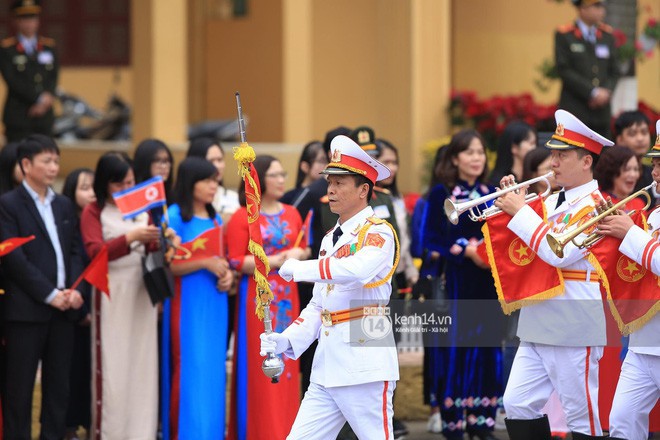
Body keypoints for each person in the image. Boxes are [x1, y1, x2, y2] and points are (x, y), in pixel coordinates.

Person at [261, 134, 399, 439]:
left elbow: (355, 270)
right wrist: (286, 340)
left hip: (365, 354)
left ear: (364, 189)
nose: (331, 190)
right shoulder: (329, 238)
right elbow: (319, 305)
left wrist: (300, 268)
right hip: (328, 365)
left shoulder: (379, 233)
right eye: (329, 182)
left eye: (340, 183)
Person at [493, 109, 614, 439]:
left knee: (581, 416)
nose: (553, 162)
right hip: (538, 320)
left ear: (586, 161)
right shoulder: (551, 202)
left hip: (574, 321)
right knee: (516, 403)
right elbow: (523, 247)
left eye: (562, 155)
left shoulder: (597, 205)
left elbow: (557, 252)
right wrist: (514, 201)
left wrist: (520, 211)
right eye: (553, 154)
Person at [0, 134, 84, 440]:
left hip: (64, 310)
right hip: (26, 312)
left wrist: (74, 290)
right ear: (26, 165)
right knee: (19, 392)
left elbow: (76, 251)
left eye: (56, 160)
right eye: (46, 161)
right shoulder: (8, 205)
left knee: (58, 388)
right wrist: (50, 294)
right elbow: (14, 259)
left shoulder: (62, 204)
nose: (53, 167)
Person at [423, 129, 503, 440]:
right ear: (455, 157)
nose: (476, 158)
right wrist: (464, 248)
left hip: (486, 281)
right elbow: (429, 241)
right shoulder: (440, 193)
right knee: (455, 351)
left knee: (486, 350)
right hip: (456, 282)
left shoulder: (491, 191)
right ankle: (454, 423)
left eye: (480, 152)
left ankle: (483, 421)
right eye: (469, 152)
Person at [81, 151, 162, 440]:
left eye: (130, 181)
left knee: (142, 367)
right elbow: (93, 252)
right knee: (114, 368)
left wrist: (162, 240)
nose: (126, 188)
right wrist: (129, 239)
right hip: (112, 292)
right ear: (104, 183)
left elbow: (154, 247)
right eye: (119, 184)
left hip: (142, 293)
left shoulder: (142, 205)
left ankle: (142, 433)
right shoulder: (94, 211)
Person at [226, 155, 307, 440]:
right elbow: (237, 260)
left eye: (283, 174)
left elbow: (304, 249)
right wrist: (280, 258)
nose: (282, 179)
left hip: (289, 298)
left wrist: (298, 256)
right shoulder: (243, 216)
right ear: (259, 179)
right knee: (261, 364)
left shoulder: (292, 213)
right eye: (275, 175)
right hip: (258, 300)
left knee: (288, 365)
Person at [161, 157, 233, 439]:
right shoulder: (175, 216)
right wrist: (205, 264)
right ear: (190, 183)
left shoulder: (215, 218)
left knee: (214, 372)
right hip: (187, 303)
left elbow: (221, 259)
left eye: (216, 180)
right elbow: (171, 265)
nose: (213, 186)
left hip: (215, 303)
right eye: (207, 181)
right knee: (191, 367)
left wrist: (226, 276)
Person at [598, 120, 660, 440]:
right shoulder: (652, 215)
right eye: (656, 163)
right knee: (622, 422)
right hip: (643, 342)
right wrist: (608, 232)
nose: (656, 172)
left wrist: (630, 233)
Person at [61, 168, 95, 440]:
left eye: (95, 187)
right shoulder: (67, 223)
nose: (92, 193)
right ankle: (68, 426)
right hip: (72, 311)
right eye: (85, 188)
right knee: (71, 371)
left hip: (98, 309)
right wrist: (81, 309)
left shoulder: (97, 223)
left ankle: (89, 423)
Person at [554, 0, 619, 139]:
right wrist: (592, 92)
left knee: (603, 156)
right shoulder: (565, 35)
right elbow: (564, 69)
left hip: (602, 113)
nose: (601, 10)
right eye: (596, 5)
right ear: (582, 8)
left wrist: (605, 92)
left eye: (602, 6)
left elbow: (615, 71)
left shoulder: (607, 36)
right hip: (575, 110)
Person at [0, 0, 58, 142]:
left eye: (33, 18)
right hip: (19, 116)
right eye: (24, 19)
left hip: (44, 117)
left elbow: (53, 76)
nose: (29, 23)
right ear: (17, 21)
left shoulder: (48, 46)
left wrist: (45, 101)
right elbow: (13, 81)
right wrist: (38, 98)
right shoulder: (7, 49)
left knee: (44, 156)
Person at [186, 137, 240, 224]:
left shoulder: (234, 199)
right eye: (211, 161)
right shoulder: (178, 207)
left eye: (219, 160)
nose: (217, 166)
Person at [281, 140, 328, 216]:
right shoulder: (288, 198)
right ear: (305, 167)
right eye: (322, 161)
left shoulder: (330, 195)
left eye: (328, 161)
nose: (327, 166)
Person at [613, 110, 653, 194]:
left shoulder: (654, 174)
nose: (640, 138)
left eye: (644, 132)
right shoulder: (610, 174)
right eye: (632, 134)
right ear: (620, 139)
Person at [594, 146, 644, 212]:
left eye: (636, 169)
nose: (633, 175)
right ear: (611, 171)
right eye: (626, 169)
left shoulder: (639, 204)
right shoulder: (598, 200)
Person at [489, 121, 537, 186]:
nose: (535, 148)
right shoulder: (500, 182)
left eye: (535, 143)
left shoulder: (536, 176)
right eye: (531, 143)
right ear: (514, 148)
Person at [133, 138, 175, 205]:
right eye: (157, 160)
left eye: (167, 161)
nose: (164, 166)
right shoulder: (133, 198)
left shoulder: (174, 197)